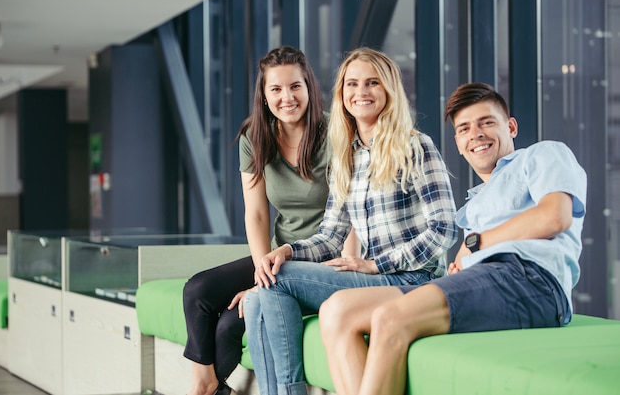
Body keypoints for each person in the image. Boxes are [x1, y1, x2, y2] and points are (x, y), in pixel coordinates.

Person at [318, 82, 587, 395]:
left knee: (391, 318)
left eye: (487, 122)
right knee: (338, 311)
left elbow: (554, 217)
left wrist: (477, 244)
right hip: (491, 278)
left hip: (532, 279)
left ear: (510, 127)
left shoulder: (542, 155)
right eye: (464, 129)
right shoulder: (475, 203)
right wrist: (467, 260)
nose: (476, 134)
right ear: (459, 144)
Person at [243, 47, 458, 395]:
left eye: (373, 83)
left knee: (276, 278)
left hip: (413, 279)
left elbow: (444, 229)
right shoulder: (347, 156)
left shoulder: (415, 146)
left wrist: (376, 264)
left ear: (389, 90)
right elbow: (330, 237)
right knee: (260, 293)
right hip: (372, 276)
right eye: (352, 84)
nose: (361, 92)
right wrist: (286, 250)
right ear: (341, 95)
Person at [181, 46, 358, 395]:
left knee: (231, 324)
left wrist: (266, 286)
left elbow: (352, 215)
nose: (286, 97)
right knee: (197, 291)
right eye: (275, 89)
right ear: (263, 95)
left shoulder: (335, 135)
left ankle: (207, 391)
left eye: (295, 86)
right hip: (278, 255)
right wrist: (262, 270)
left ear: (309, 87)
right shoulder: (255, 137)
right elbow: (257, 213)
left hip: (323, 259)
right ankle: (206, 386)